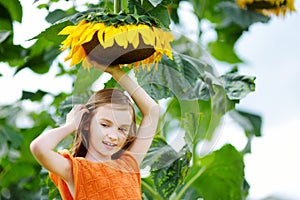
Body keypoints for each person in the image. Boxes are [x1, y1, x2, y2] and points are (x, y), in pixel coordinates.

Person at [30, 60, 160, 200]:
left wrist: (116, 72)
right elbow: (39, 147)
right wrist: (71, 126)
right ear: (87, 124)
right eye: (105, 125)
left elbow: (152, 111)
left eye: (122, 129)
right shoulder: (76, 170)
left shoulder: (127, 165)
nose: (113, 136)